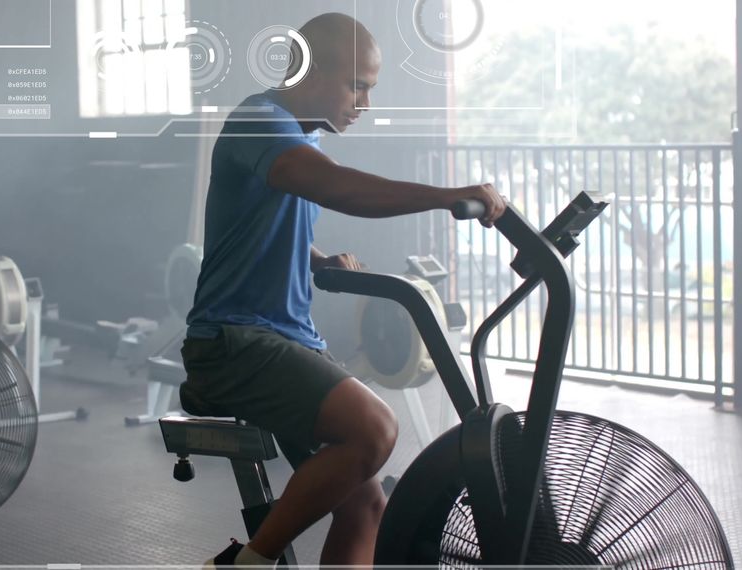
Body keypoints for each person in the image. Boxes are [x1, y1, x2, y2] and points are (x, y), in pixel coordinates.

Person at [178, 12, 505, 569]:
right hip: (234, 343)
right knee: (375, 430)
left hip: (284, 340)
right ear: (309, 71)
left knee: (364, 509)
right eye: (357, 85)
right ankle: (245, 565)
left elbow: (254, 223)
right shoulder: (260, 123)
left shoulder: (294, 136)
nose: (364, 104)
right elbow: (334, 188)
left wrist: (317, 259)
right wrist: (447, 196)